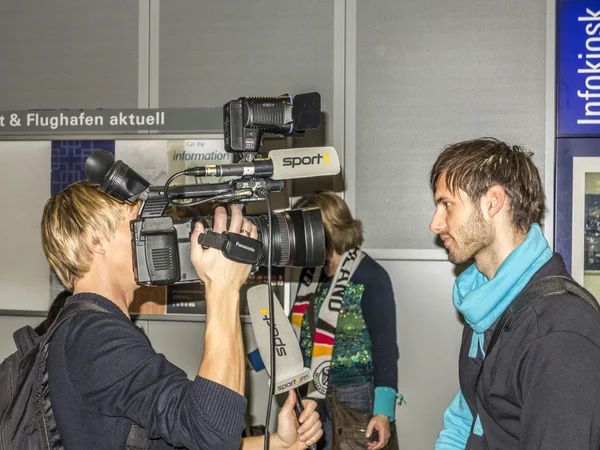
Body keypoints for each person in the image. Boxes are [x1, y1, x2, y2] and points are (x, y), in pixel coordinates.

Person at [40, 180, 323, 450]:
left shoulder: (92, 329)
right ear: (94, 240)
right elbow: (213, 433)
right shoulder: (92, 336)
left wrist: (276, 443)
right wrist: (222, 287)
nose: (153, 234)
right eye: (137, 224)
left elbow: (186, 434)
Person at [430, 138, 600, 449]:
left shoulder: (560, 333)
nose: (435, 223)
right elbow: (468, 411)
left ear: (492, 202)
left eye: (447, 204)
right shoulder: (483, 301)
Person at [291, 191, 400, 450]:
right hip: (312, 394)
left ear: (325, 231)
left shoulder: (371, 276)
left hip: (356, 397)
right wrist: (256, 360)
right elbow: (297, 331)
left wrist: (383, 413)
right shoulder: (312, 274)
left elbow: (385, 350)